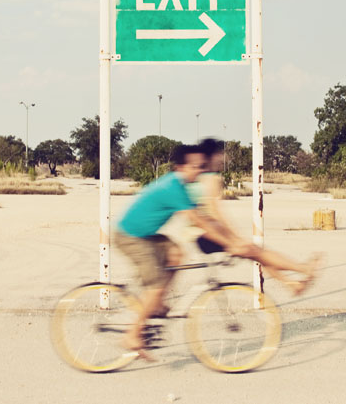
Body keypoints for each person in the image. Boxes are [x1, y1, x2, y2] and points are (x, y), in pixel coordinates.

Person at [114, 144, 248, 357]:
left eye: (202, 166)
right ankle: (132, 334)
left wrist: (227, 238)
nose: (200, 170)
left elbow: (203, 218)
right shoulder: (173, 188)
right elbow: (199, 222)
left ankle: (156, 303)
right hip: (130, 236)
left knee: (176, 253)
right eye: (195, 166)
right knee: (156, 285)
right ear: (180, 167)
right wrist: (230, 244)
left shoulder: (180, 186)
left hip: (146, 234)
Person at [191, 138, 323, 296]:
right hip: (211, 234)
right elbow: (216, 213)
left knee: (257, 253)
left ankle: (291, 283)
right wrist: (235, 238)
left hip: (203, 234)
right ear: (211, 156)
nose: (223, 158)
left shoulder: (197, 177)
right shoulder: (212, 178)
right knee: (256, 251)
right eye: (220, 154)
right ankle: (302, 269)